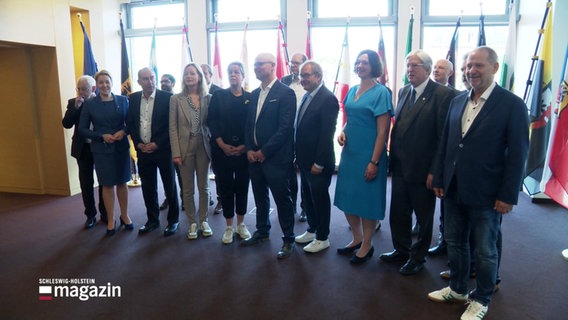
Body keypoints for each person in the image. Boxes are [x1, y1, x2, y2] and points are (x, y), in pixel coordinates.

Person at [428, 46, 529, 320]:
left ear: (494, 68)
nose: (471, 71)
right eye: (468, 66)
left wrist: (508, 195)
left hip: (488, 192)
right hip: (453, 187)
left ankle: (482, 298)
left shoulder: (512, 105)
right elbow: (446, 144)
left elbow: (519, 154)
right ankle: (458, 288)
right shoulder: (457, 101)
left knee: (485, 250)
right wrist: (440, 177)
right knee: (456, 242)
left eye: (478, 66)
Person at [379, 50, 456, 275]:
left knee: (423, 217)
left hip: (424, 170)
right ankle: (401, 249)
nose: (410, 70)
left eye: (415, 65)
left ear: (427, 69)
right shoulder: (404, 91)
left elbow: (444, 137)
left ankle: (418, 257)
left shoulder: (442, 94)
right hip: (401, 166)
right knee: (398, 212)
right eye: (408, 65)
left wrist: (436, 171)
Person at [334, 49, 393, 264]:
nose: (359, 65)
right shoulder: (353, 90)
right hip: (350, 153)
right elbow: (352, 118)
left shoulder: (381, 92)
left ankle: (367, 244)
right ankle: (357, 238)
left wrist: (374, 162)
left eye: (364, 63)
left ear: (374, 66)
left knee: (366, 200)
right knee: (349, 197)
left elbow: (382, 132)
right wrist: (343, 132)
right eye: (358, 62)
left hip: (370, 154)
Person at [240, 52, 297, 259]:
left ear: (273, 66)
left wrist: (264, 152)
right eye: (254, 65)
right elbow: (249, 125)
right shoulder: (254, 93)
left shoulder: (286, 93)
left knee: (282, 199)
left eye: (260, 64)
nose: (256, 68)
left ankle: (288, 239)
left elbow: (285, 129)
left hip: (275, 158)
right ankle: (262, 231)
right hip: (254, 157)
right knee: (260, 196)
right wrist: (249, 150)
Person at [78, 70, 133, 236]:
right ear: (96, 85)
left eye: (107, 82)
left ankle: (125, 215)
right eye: (101, 82)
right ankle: (111, 219)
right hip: (101, 149)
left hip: (121, 147)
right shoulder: (90, 104)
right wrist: (101, 136)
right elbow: (82, 129)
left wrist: (123, 132)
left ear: (112, 82)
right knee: (107, 184)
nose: (104, 85)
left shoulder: (123, 100)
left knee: (122, 183)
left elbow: (130, 123)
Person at [126, 68, 179, 236]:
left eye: (152, 78)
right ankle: (153, 220)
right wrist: (138, 144)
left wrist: (157, 144)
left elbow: (172, 126)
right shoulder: (133, 98)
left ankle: (173, 221)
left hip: (163, 150)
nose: (150, 82)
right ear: (139, 81)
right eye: (146, 79)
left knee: (169, 185)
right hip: (143, 151)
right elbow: (131, 124)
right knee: (148, 187)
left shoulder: (167, 98)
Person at [293, 61, 339, 253]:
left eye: (307, 75)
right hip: (304, 159)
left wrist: (319, 163)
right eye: (302, 75)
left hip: (318, 162)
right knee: (308, 197)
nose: (303, 79)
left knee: (319, 198)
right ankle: (312, 229)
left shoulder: (328, 98)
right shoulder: (307, 96)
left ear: (318, 77)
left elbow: (326, 135)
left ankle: (323, 237)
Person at [207, 62, 252, 244]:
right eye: (230, 72)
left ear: (242, 76)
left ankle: (241, 224)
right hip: (221, 151)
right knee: (225, 188)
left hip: (243, 152)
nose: (233, 75)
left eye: (236, 72)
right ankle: (228, 226)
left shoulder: (251, 97)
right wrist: (222, 144)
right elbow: (212, 121)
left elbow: (252, 125)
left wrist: (244, 146)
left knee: (242, 188)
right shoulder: (218, 96)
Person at [169, 62, 212, 240]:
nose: (189, 76)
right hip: (184, 147)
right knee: (187, 189)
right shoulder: (176, 99)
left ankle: (204, 220)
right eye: (186, 74)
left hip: (203, 145)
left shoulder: (208, 97)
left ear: (199, 77)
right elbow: (172, 127)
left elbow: (212, 123)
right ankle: (192, 223)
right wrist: (176, 153)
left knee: (204, 187)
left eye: (193, 73)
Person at [62, 75, 108, 229]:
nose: (81, 92)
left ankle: (105, 212)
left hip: (100, 147)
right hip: (83, 148)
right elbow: (66, 124)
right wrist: (75, 107)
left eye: (84, 89)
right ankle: (90, 215)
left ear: (93, 89)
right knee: (86, 183)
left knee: (104, 181)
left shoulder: (101, 101)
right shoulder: (73, 103)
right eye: (79, 89)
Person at [281, 52, 308, 222]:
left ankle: (305, 207)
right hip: (287, 132)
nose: (293, 66)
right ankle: (291, 204)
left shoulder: (309, 81)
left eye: (297, 63)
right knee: (289, 171)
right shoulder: (284, 81)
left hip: (304, 132)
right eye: (292, 62)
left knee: (304, 170)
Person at [157, 73, 184, 212]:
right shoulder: (159, 99)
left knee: (181, 173)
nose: (163, 84)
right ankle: (169, 197)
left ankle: (184, 198)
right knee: (167, 175)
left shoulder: (179, 99)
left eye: (166, 81)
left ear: (173, 83)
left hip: (177, 143)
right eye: (161, 81)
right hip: (163, 144)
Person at [201, 63, 222, 214]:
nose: (202, 77)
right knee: (201, 171)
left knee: (218, 171)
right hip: (198, 139)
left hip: (215, 139)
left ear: (210, 75)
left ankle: (221, 199)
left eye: (204, 73)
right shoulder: (192, 93)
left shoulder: (219, 92)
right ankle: (206, 196)